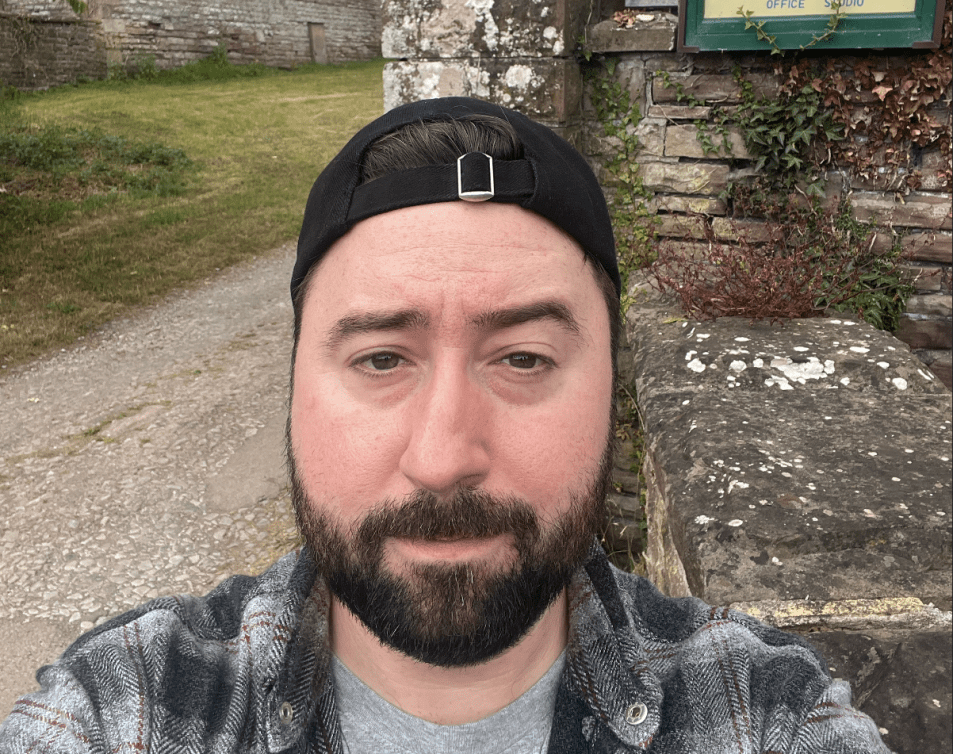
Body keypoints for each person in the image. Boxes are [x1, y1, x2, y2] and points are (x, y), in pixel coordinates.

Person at [0, 97, 890, 753]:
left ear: (613, 390)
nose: (440, 457)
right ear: (295, 386)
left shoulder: (763, 709)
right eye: (381, 358)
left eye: (523, 358)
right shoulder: (128, 704)